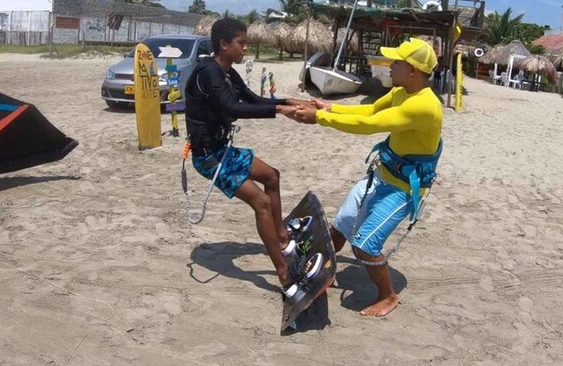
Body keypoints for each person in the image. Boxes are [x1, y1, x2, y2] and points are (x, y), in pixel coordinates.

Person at [289, 38, 443, 317]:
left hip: (402, 189)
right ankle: (320, 271)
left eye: (396, 62)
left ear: (413, 70)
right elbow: (370, 110)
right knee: (341, 225)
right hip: (381, 175)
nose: (390, 66)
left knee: (365, 246)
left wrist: (320, 118)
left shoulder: (424, 105)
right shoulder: (401, 91)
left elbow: (369, 125)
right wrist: (328, 107)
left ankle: (388, 296)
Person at [184, 17, 307, 290]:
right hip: (209, 158)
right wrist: (280, 110)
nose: (245, 48)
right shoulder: (208, 73)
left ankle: (282, 238)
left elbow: (253, 99)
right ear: (223, 44)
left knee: (272, 176)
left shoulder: (227, 72)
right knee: (261, 202)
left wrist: (288, 101)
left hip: (223, 150)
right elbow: (233, 108)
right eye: (241, 43)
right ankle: (284, 273)